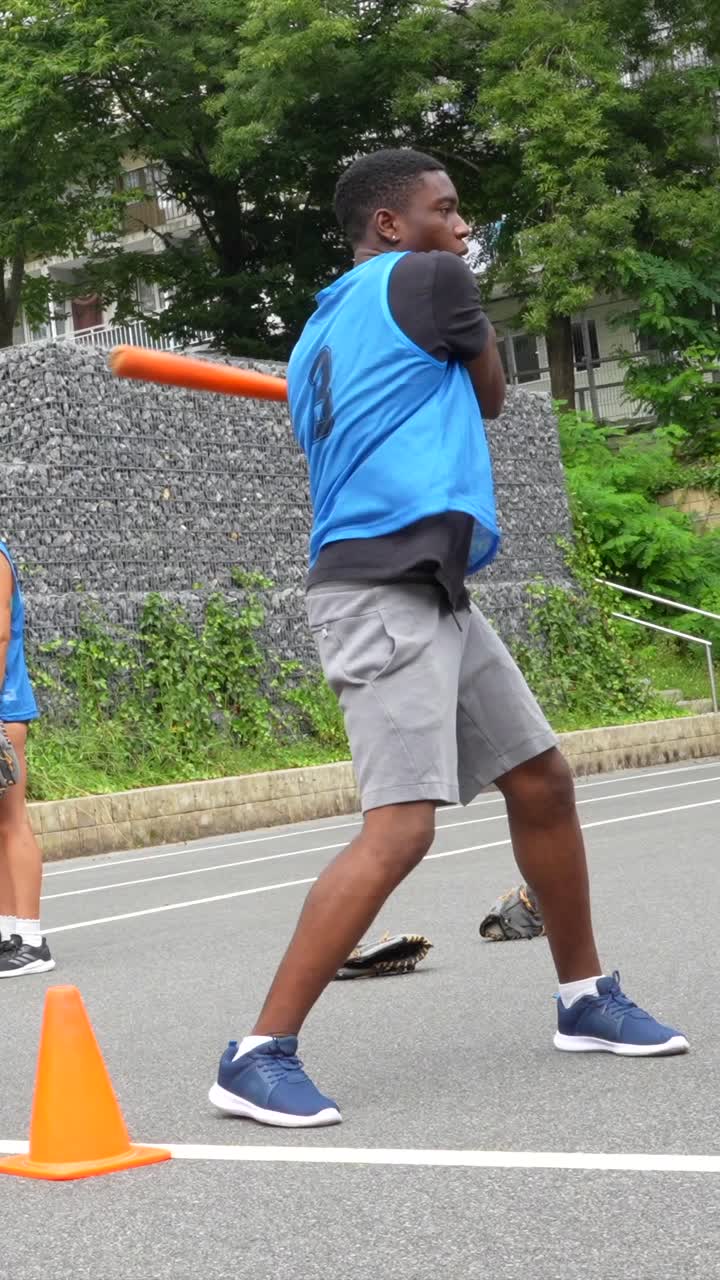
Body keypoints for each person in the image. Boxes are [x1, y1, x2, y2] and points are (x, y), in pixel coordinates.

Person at [208, 148, 687, 1128]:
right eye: (447, 209)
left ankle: (584, 996)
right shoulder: (431, 277)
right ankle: (257, 1052)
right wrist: (460, 307)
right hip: (383, 586)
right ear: (393, 225)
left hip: (425, 581)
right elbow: (493, 395)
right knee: (403, 824)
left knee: (541, 776)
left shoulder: (319, 330)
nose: (463, 228)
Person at [0, 540, 54, 977]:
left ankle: (32, 941)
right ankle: (8, 933)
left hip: (5, 709)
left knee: (13, 819)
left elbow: (0, 635)